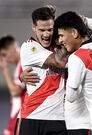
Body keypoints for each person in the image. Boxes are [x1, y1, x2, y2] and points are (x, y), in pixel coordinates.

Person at [16, 5, 68, 135]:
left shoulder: (60, 44)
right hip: (32, 117)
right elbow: (59, 61)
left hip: (58, 118)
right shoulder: (29, 47)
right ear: (34, 27)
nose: (46, 34)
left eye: (50, 29)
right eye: (42, 30)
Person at [0, 35, 25, 135]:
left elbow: (15, 91)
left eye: (4, 54)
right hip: (18, 118)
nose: (5, 59)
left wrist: (5, 69)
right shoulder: (19, 65)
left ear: (12, 49)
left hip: (21, 118)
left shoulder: (24, 63)